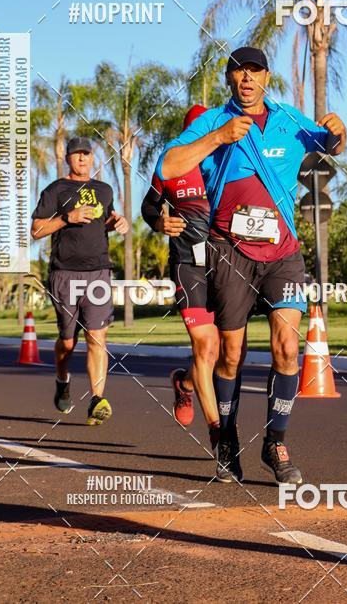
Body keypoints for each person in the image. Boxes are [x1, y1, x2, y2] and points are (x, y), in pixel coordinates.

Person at [157, 46, 346, 484]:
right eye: (239, 72)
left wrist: (339, 134)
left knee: (287, 346)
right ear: (229, 79)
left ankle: (275, 442)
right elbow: (168, 165)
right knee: (230, 354)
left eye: (255, 72)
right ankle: (226, 438)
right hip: (230, 252)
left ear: (266, 78)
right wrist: (218, 138)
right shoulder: (212, 121)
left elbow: (330, 145)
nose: (247, 79)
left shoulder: (288, 119)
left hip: (283, 252)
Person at [31, 137, 128, 425]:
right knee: (68, 342)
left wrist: (117, 223)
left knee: (97, 337)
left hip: (98, 273)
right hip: (64, 274)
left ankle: (97, 399)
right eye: (77, 154)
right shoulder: (55, 190)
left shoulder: (104, 190)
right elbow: (36, 230)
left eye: (87, 154)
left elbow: (104, 223)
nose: (83, 158)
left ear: (93, 157)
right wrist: (67, 218)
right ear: (68, 159)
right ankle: (62, 380)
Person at [141, 104, 221, 444]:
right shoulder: (172, 164)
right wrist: (159, 222)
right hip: (188, 263)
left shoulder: (226, 161)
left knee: (222, 352)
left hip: (227, 265)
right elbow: (148, 205)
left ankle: (184, 383)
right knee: (205, 345)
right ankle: (219, 433)